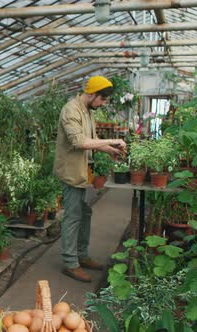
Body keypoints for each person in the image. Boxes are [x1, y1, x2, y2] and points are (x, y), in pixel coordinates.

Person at [53, 75, 126, 283]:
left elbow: (90, 141)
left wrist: (108, 149)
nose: (102, 104)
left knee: (84, 212)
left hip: (82, 171)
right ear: (92, 94)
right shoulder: (71, 110)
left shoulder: (87, 110)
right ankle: (70, 263)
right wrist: (112, 139)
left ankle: (82, 256)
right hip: (71, 172)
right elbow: (78, 142)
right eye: (102, 100)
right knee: (73, 215)